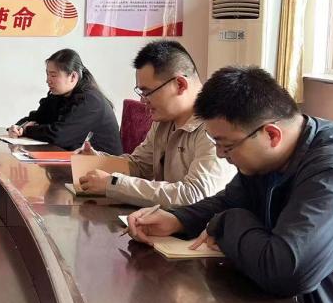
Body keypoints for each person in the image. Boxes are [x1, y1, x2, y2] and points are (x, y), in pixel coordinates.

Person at [127, 66, 333, 303]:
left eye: (227, 145)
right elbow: (231, 200)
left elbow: (287, 271)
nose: (221, 155)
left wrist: (226, 223)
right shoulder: (280, 151)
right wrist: (177, 219)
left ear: (271, 134)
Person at [77, 41, 235, 207]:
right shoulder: (164, 119)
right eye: (141, 92)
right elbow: (140, 166)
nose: (142, 100)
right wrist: (99, 161)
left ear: (180, 85)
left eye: (148, 92)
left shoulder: (215, 125)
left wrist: (113, 184)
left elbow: (195, 195)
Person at [8, 49, 121, 153]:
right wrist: (19, 127)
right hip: (76, 160)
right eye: (47, 74)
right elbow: (36, 117)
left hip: (103, 165)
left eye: (53, 75)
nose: (48, 80)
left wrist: (27, 130)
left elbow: (59, 135)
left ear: (73, 77)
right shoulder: (59, 95)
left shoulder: (90, 101)